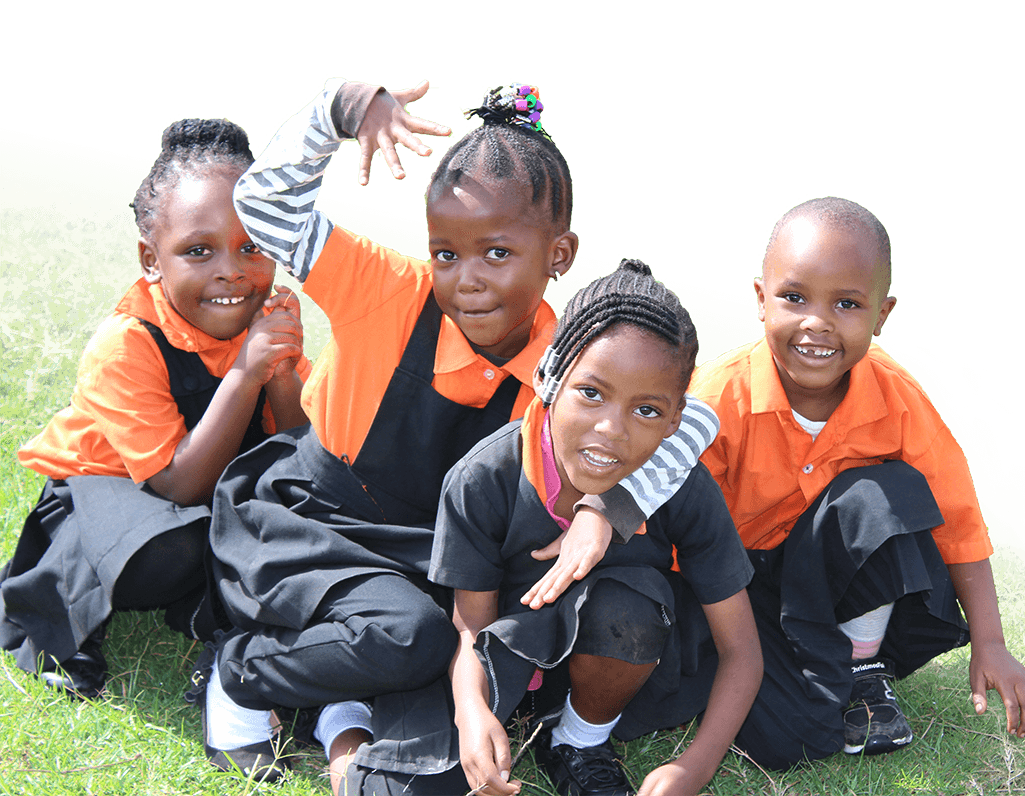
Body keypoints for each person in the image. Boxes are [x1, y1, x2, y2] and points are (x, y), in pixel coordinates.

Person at [203, 79, 721, 792]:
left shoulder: (563, 358)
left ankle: (341, 704)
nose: (466, 280)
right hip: (318, 519)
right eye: (445, 253)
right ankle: (240, 674)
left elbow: (695, 416)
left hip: (443, 554)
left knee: (445, 658)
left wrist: (611, 508)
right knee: (410, 635)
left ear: (559, 255)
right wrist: (339, 109)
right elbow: (262, 205)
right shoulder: (381, 287)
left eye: (497, 254)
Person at [688, 196, 1025, 769]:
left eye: (847, 304)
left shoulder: (897, 397)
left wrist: (991, 644)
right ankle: (765, 668)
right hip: (734, 585)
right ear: (760, 298)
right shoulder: (715, 398)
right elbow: (676, 527)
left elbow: (958, 522)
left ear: (882, 315)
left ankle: (862, 666)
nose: (817, 323)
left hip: (830, 581)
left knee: (887, 495)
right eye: (794, 297)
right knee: (792, 740)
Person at [0, 118, 309, 702]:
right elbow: (177, 484)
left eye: (252, 246)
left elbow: (298, 455)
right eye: (198, 251)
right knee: (173, 551)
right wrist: (246, 373)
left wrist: (282, 373)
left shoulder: (264, 328)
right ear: (151, 258)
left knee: (278, 526)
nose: (231, 269)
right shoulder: (126, 343)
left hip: (200, 493)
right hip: (106, 491)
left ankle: (223, 629)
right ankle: (58, 609)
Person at [435, 259, 761, 796]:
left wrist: (695, 767)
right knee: (419, 774)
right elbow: (471, 625)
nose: (612, 429)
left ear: (676, 419)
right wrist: (472, 711)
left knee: (629, 609)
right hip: (508, 657)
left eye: (647, 410)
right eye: (591, 393)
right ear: (549, 376)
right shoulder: (482, 478)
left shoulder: (682, 486)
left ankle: (579, 740)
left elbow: (742, 651)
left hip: (622, 670)